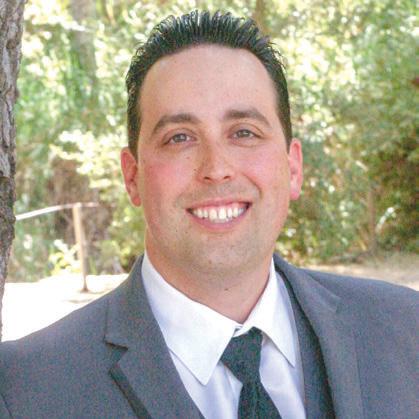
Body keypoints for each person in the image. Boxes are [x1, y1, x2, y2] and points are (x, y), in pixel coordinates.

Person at [0, 10, 417, 419]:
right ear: (132, 177)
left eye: (244, 132)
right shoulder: (24, 390)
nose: (216, 168)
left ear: (293, 168)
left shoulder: (407, 329)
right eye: (179, 137)